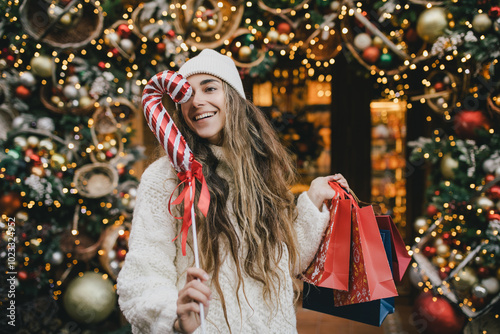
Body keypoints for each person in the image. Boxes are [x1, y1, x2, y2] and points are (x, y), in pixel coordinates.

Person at [117, 49, 349, 334]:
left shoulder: (260, 168)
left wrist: (312, 202)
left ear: (233, 98)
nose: (197, 101)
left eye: (210, 88)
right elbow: (142, 274)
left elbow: (285, 263)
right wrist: (174, 316)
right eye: (186, 94)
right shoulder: (165, 178)